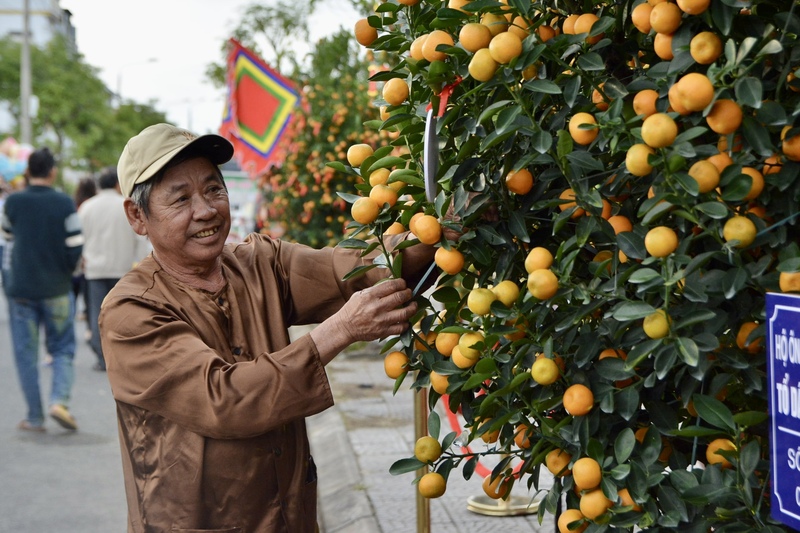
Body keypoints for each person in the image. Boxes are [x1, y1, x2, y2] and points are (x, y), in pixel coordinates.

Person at [100, 123, 439, 532]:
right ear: (138, 216)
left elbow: (346, 270)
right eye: (181, 199)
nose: (206, 210)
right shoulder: (130, 312)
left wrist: (439, 234)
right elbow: (223, 399)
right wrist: (339, 330)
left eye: (213, 189)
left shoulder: (259, 262)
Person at [1, 147, 83, 432]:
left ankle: (34, 417)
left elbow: (7, 240)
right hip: (57, 288)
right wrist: (67, 271)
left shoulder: (13, 202)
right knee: (61, 348)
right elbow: (75, 244)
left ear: (28, 171)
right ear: (52, 171)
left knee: (26, 355)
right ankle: (59, 401)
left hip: (21, 289)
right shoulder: (64, 203)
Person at [78, 167, 150, 371]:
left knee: (97, 313)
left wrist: (80, 263)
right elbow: (140, 237)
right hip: (123, 269)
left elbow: (79, 237)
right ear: (118, 184)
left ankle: (101, 357)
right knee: (121, 314)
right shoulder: (126, 206)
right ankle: (120, 354)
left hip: (94, 269)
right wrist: (142, 264)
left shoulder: (87, 207)